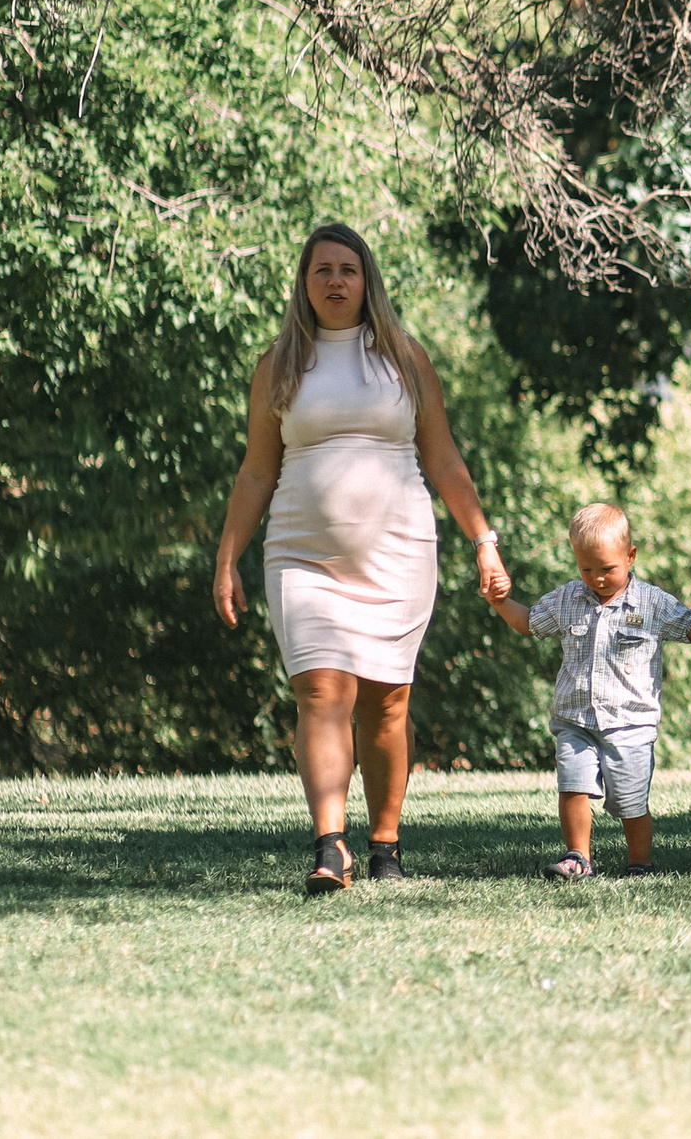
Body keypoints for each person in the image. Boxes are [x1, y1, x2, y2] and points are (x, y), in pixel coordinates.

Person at [213, 222, 507, 894]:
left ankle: (385, 844)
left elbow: (442, 457)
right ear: (304, 281)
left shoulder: (403, 357)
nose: (336, 281)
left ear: (366, 279)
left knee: (387, 702)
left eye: (348, 269)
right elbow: (257, 471)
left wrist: (483, 539)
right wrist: (228, 557)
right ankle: (330, 845)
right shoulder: (279, 365)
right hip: (301, 554)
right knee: (321, 690)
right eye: (322, 270)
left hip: (399, 550)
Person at [481, 503, 691, 878]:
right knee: (572, 786)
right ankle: (578, 858)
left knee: (630, 801)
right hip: (575, 719)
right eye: (587, 569)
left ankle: (640, 862)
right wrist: (499, 602)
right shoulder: (566, 600)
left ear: (630, 557)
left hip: (630, 724)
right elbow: (529, 622)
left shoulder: (651, 602)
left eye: (607, 569)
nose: (597, 578)